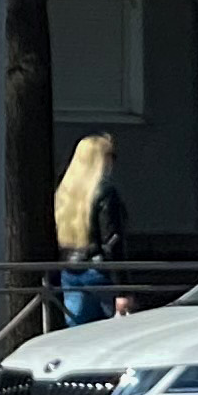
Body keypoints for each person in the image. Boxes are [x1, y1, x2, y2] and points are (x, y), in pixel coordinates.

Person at [52, 133, 124, 328]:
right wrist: (123, 289)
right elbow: (112, 243)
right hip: (101, 271)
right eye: (111, 156)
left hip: (70, 268)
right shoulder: (105, 192)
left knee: (76, 327)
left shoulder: (65, 192)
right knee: (113, 330)